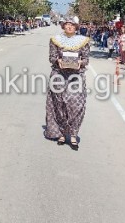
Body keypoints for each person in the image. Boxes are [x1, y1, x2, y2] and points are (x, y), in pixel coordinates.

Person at [45, 17, 90, 150]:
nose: (69, 27)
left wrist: (80, 63)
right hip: (59, 76)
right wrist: (57, 61)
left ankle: (74, 134)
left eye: (72, 25)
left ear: (76, 27)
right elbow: (51, 57)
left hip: (76, 76)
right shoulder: (55, 40)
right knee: (59, 104)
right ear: (63, 27)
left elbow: (86, 59)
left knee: (76, 105)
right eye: (67, 25)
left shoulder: (83, 41)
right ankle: (62, 134)